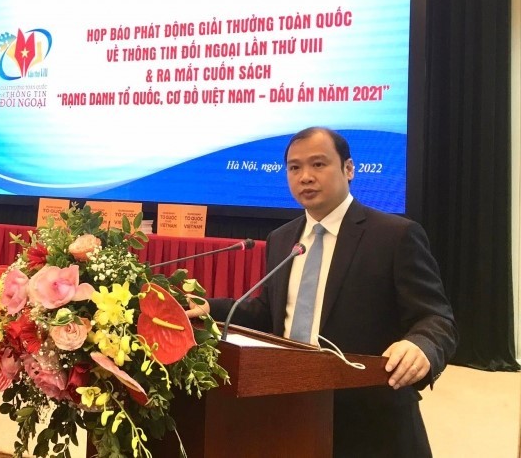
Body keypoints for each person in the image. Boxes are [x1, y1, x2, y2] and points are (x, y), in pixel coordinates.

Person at [187, 126, 457, 457]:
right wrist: (210, 308)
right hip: (291, 405)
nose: (305, 177)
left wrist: (422, 345)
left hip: (369, 417)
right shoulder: (281, 239)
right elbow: (269, 314)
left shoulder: (394, 235)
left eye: (318, 164)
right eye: (294, 167)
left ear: (349, 168)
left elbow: (436, 318)